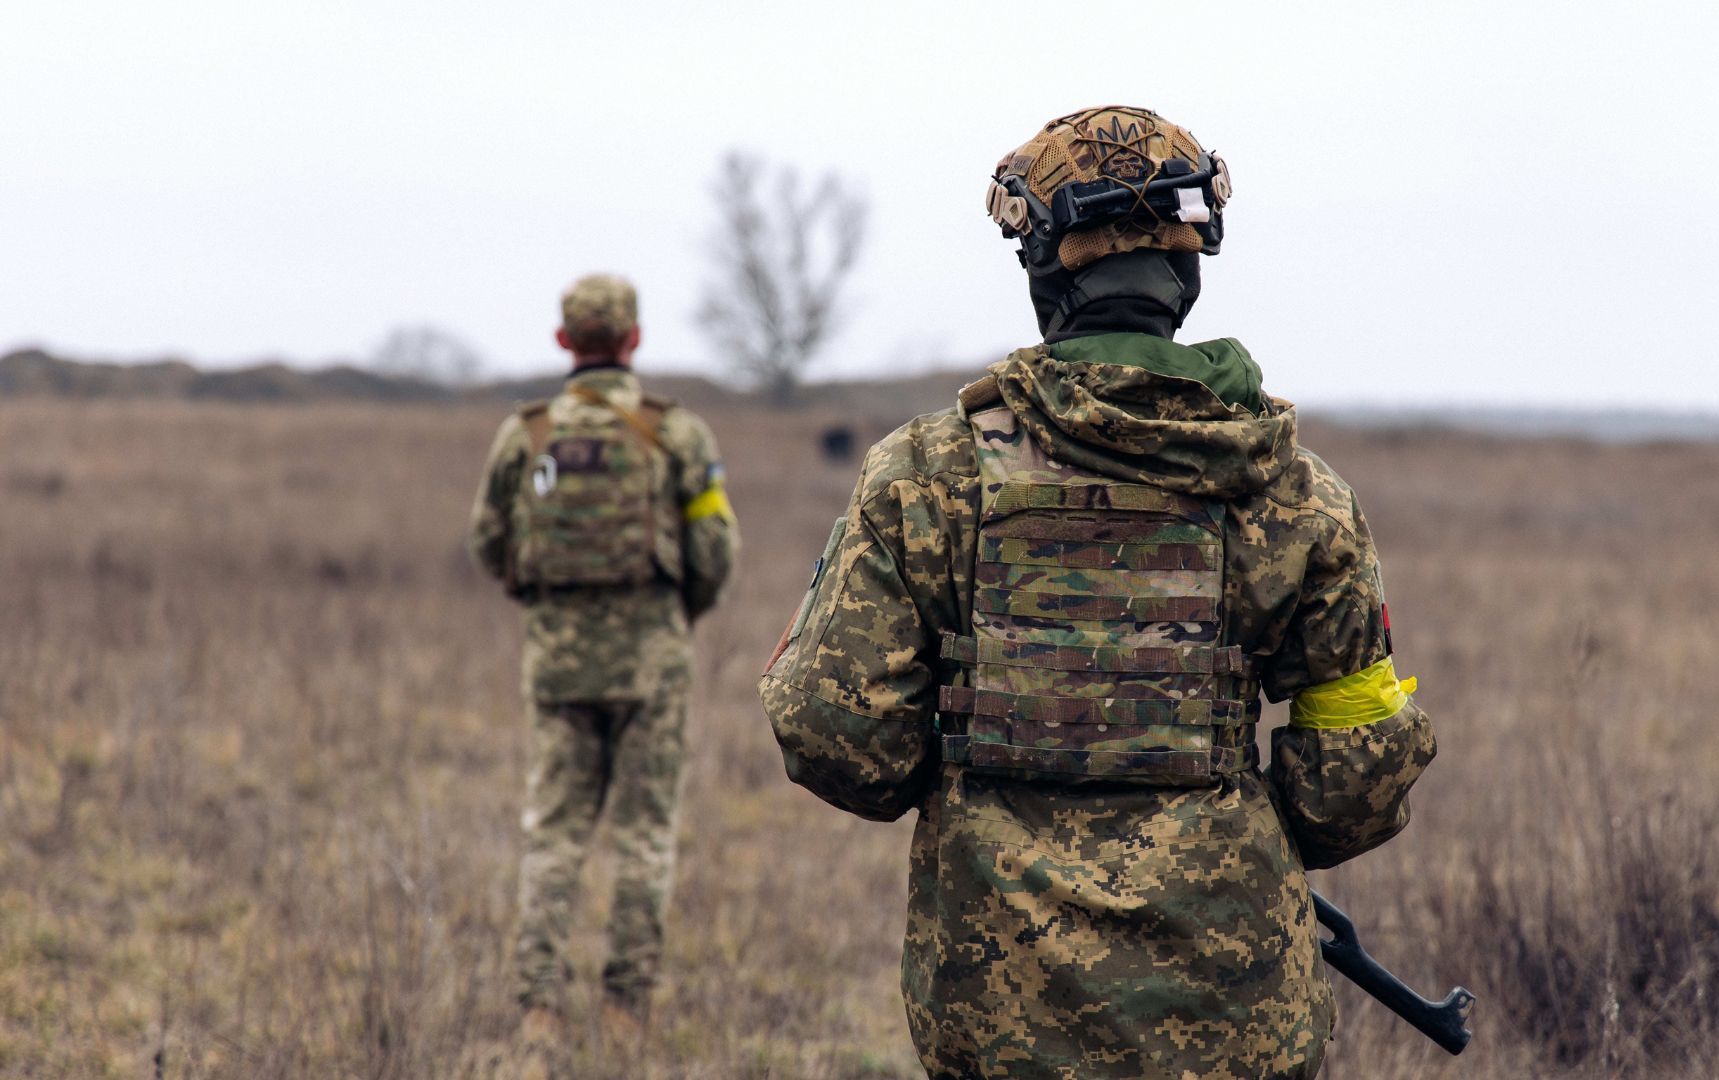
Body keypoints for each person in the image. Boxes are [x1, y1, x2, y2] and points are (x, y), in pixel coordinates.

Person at [760, 107, 1437, 1078]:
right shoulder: (1293, 490)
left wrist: (974, 779)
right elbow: (1353, 787)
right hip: (1235, 1012)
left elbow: (839, 741)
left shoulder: (927, 473)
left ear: (1044, 273)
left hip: (999, 1013)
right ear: (1189, 273)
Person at [467, 273, 738, 1043]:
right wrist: (675, 614)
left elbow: (488, 541)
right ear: (634, 340)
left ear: (563, 342)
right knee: (644, 838)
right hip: (653, 664)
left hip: (556, 665)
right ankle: (626, 1011)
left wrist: (546, 604)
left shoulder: (526, 432)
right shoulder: (675, 432)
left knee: (552, 835)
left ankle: (539, 1010)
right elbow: (715, 547)